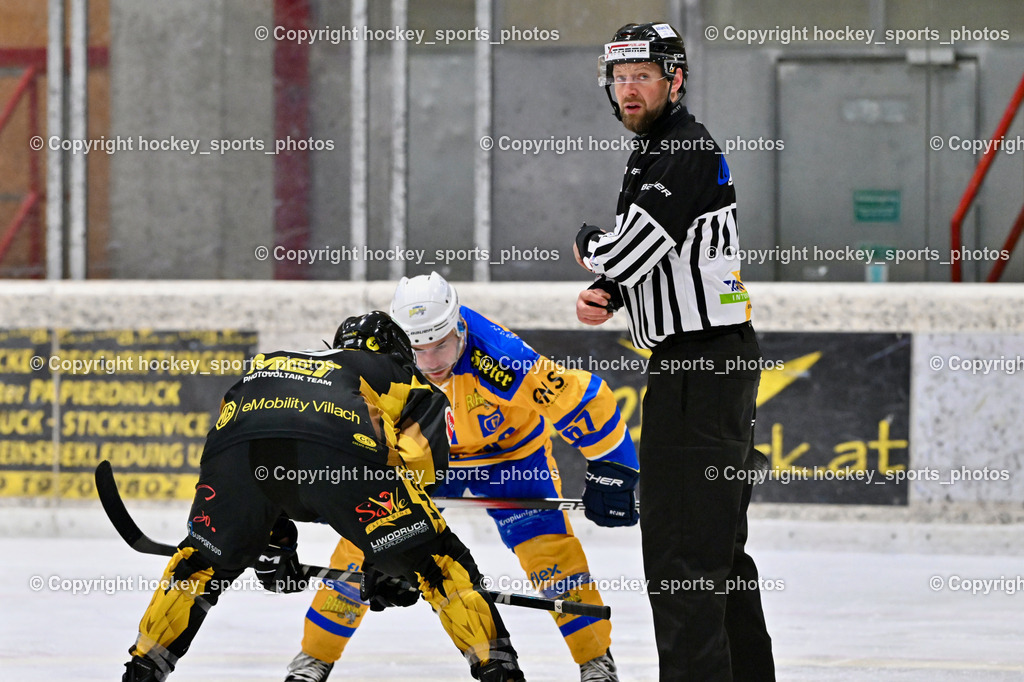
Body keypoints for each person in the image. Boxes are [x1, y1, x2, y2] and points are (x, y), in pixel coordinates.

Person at [120, 311, 525, 682]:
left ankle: (142, 668)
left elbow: (255, 442)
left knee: (200, 563)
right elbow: (420, 470)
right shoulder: (402, 376)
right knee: (439, 563)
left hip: (235, 454)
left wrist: (268, 540)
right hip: (342, 456)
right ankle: (498, 670)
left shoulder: (271, 362)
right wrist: (393, 558)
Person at [284, 272, 639, 682]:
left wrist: (614, 468)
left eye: (441, 345)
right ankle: (314, 656)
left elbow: (582, 397)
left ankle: (595, 660)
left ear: (459, 327)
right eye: (418, 349)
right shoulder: (384, 358)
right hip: (426, 458)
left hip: (512, 459)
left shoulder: (500, 357)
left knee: (552, 557)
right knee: (361, 549)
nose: (432, 362)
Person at [571, 22, 775, 682]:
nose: (628, 89)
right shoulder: (660, 149)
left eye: (643, 76)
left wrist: (590, 247)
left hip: (700, 367)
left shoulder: (680, 150)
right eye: (620, 78)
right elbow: (665, 255)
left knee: (682, 556)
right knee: (716, 554)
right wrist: (614, 292)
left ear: (675, 80)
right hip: (708, 363)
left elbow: (630, 248)